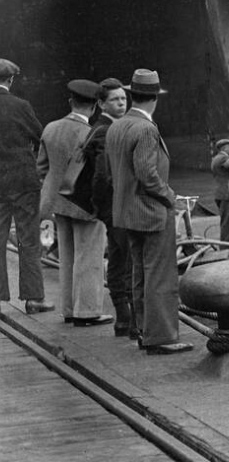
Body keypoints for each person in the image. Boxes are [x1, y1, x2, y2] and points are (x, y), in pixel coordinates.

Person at [104, 68, 192, 355]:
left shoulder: (117, 126)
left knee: (139, 273)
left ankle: (143, 330)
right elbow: (147, 173)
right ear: (155, 98)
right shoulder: (146, 129)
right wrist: (170, 198)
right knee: (160, 276)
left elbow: (113, 172)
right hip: (152, 213)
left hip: (127, 213)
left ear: (132, 94)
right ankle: (162, 337)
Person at [37, 79, 111, 326]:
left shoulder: (50, 128)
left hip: (55, 203)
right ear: (95, 107)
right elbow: (100, 175)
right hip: (84, 205)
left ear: (70, 102)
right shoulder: (93, 133)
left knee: (66, 257)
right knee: (89, 258)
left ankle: (68, 309)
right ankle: (87, 312)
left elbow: (42, 168)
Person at [0, 59, 53, 314]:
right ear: (10, 80)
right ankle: (33, 299)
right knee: (28, 240)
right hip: (22, 181)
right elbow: (40, 136)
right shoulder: (21, 106)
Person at [86, 78, 135, 337]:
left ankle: (123, 318)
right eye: (115, 99)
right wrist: (104, 204)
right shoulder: (106, 130)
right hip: (116, 207)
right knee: (127, 261)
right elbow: (103, 175)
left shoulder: (100, 127)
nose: (121, 103)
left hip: (110, 209)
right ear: (101, 103)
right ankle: (131, 321)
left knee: (117, 259)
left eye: (123, 99)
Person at [210, 137, 229, 245]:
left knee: (226, 221)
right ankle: (227, 246)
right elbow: (227, 164)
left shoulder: (215, 158)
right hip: (226, 194)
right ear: (225, 148)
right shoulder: (222, 158)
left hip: (219, 193)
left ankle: (227, 245)